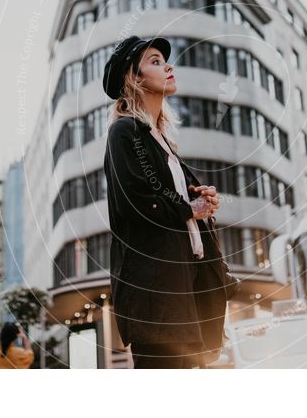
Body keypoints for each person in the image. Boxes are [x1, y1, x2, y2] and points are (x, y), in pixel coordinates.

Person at [102, 35, 241, 369]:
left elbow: (168, 203)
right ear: (134, 78)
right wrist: (187, 209)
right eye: (154, 61)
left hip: (183, 291)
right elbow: (134, 202)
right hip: (157, 297)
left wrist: (198, 199)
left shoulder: (159, 141)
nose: (168, 65)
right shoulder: (125, 132)